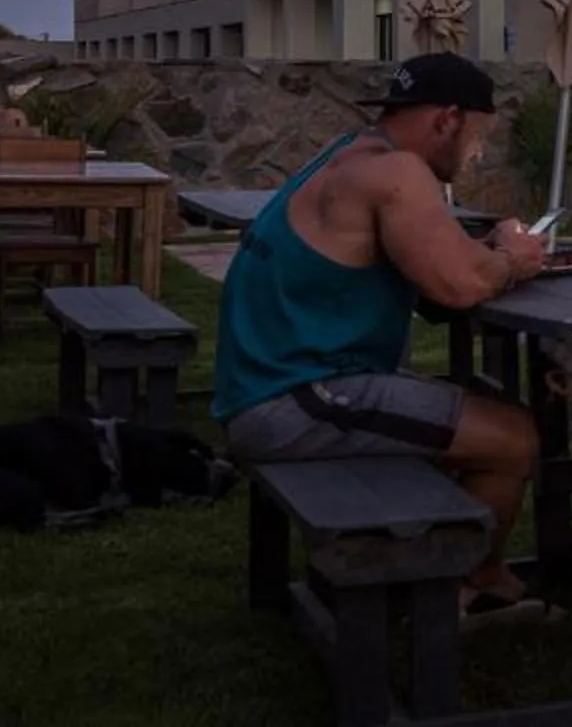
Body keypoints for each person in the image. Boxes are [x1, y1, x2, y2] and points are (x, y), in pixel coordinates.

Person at [212, 53, 552, 621]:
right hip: (297, 397)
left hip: (267, 386)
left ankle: (433, 572)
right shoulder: (399, 174)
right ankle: (474, 586)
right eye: (478, 136)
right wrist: (513, 258)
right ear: (447, 119)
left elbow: (436, 262)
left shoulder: (349, 154)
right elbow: (461, 284)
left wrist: (486, 250)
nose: (477, 154)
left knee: (461, 426)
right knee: (513, 436)